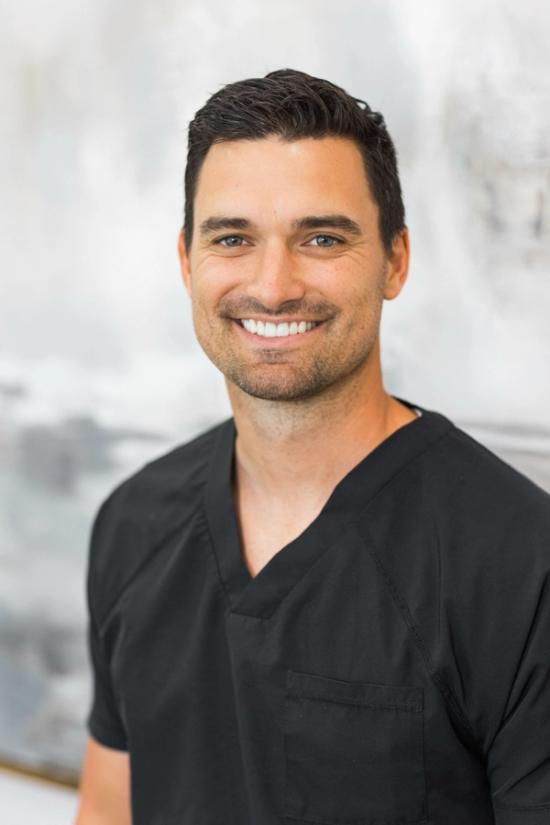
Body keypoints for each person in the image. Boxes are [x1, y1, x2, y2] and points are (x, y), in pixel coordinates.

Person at [74, 69, 550, 825]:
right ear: (187, 261)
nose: (273, 284)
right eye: (233, 238)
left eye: (321, 237)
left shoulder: (520, 565)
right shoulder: (132, 525)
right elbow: (107, 811)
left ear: (395, 260)